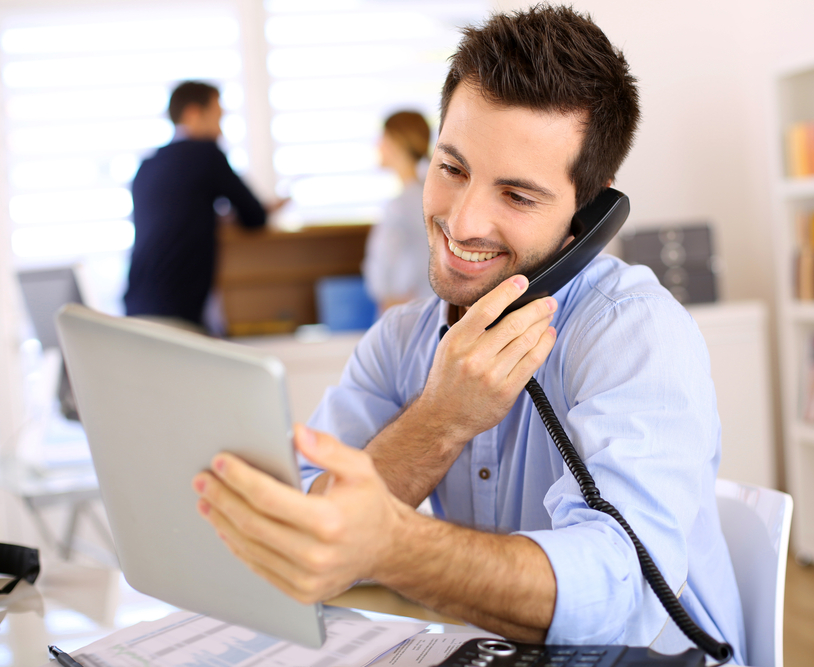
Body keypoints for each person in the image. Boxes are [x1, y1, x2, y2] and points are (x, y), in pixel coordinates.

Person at [192, 5, 745, 661]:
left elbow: (624, 592)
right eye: (452, 168)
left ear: (588, 212)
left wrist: (395, 545)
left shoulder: (634, 331)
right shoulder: (401, 338)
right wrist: (442, 417)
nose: (462, 221)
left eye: (517, 195)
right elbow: (310, 525)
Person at [124, 81, 283, 331]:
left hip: (136, 307)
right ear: (193, 114)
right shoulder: (206, 154)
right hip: (178, 311)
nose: (220, 131)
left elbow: (173, 217)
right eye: (217, 118)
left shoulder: (147, 166)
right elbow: (254, 216)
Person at [362, 111, 436, 313]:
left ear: (396, 142)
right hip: (408, 306)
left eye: (382, 138)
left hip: (409, 307)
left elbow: (426, 258)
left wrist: (394, 300)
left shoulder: (409, 203)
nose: (377, 145)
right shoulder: (412, 197)